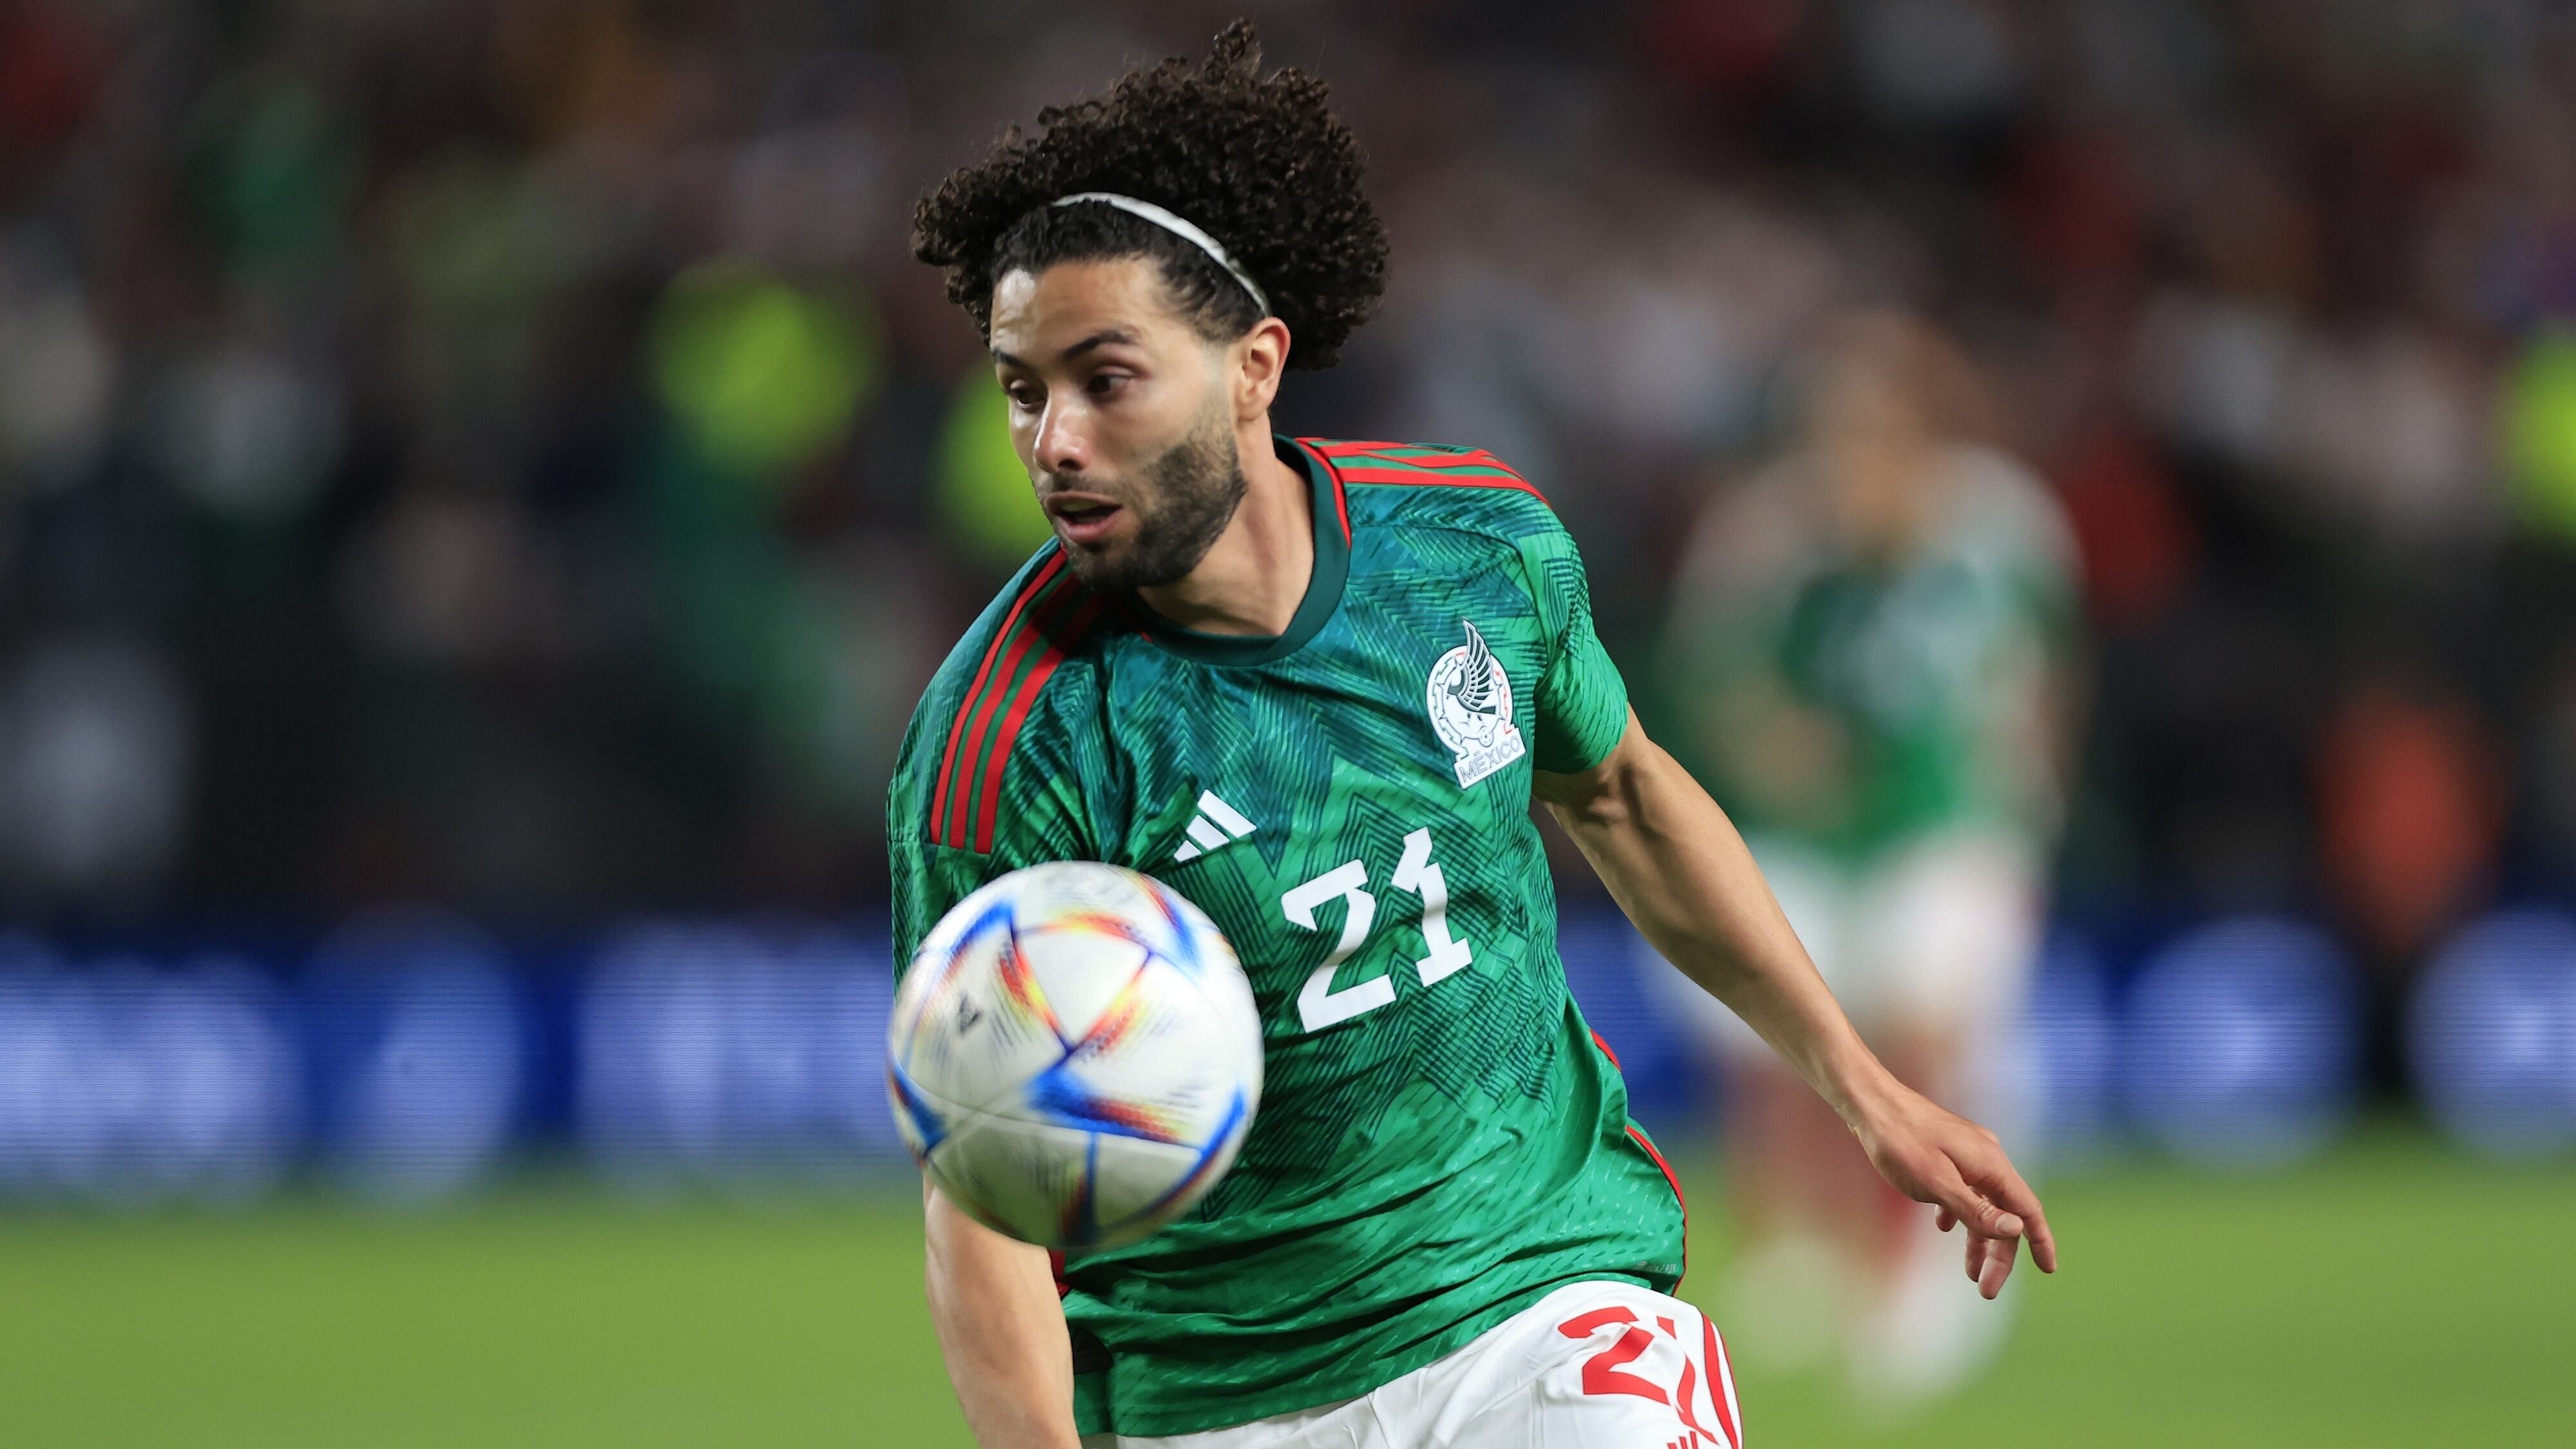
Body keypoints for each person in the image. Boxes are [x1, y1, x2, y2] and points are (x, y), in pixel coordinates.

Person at [888, 26, 2054, 1448]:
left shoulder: (1465, 542)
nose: (1052, 437)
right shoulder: (1003, 741)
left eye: (1105, 377)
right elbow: (985, 1184)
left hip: (1541, 1303)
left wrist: (1866, 1092)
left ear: (1254, 366)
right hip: (1217, 1395)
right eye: (1024, 388)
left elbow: (1618, 794)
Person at [1653, 312, 2081, 1405]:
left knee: (1924, 1034)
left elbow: (2040, 675)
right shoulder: (1771, 530)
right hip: (1810, 830)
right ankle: (1816, 1246)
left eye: (1876, 430)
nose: (1853, 457)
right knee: (1789, 1048)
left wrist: (2029, 796)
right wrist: (1776, 746)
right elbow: (1717, 670)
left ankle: (1929, 1270)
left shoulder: (2002, 526)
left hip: (1947, 818)